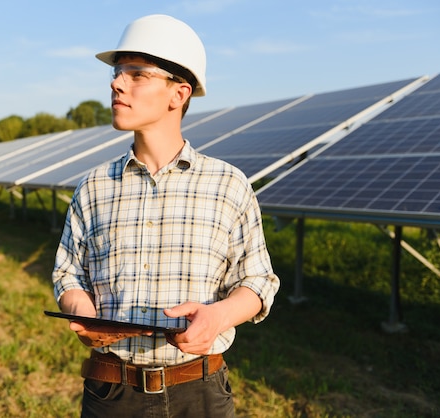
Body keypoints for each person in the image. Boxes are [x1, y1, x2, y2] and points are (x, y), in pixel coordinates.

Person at [51, 14, 280, 417]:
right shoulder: (93, 187)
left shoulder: (228, 184)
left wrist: (218, 316)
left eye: (137, 74)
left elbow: (257, 281)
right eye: (118, 72)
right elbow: (69, 274)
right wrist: (83, 313)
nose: (117, 83)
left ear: (178, 94)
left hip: (200, 392)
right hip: (111, 392)